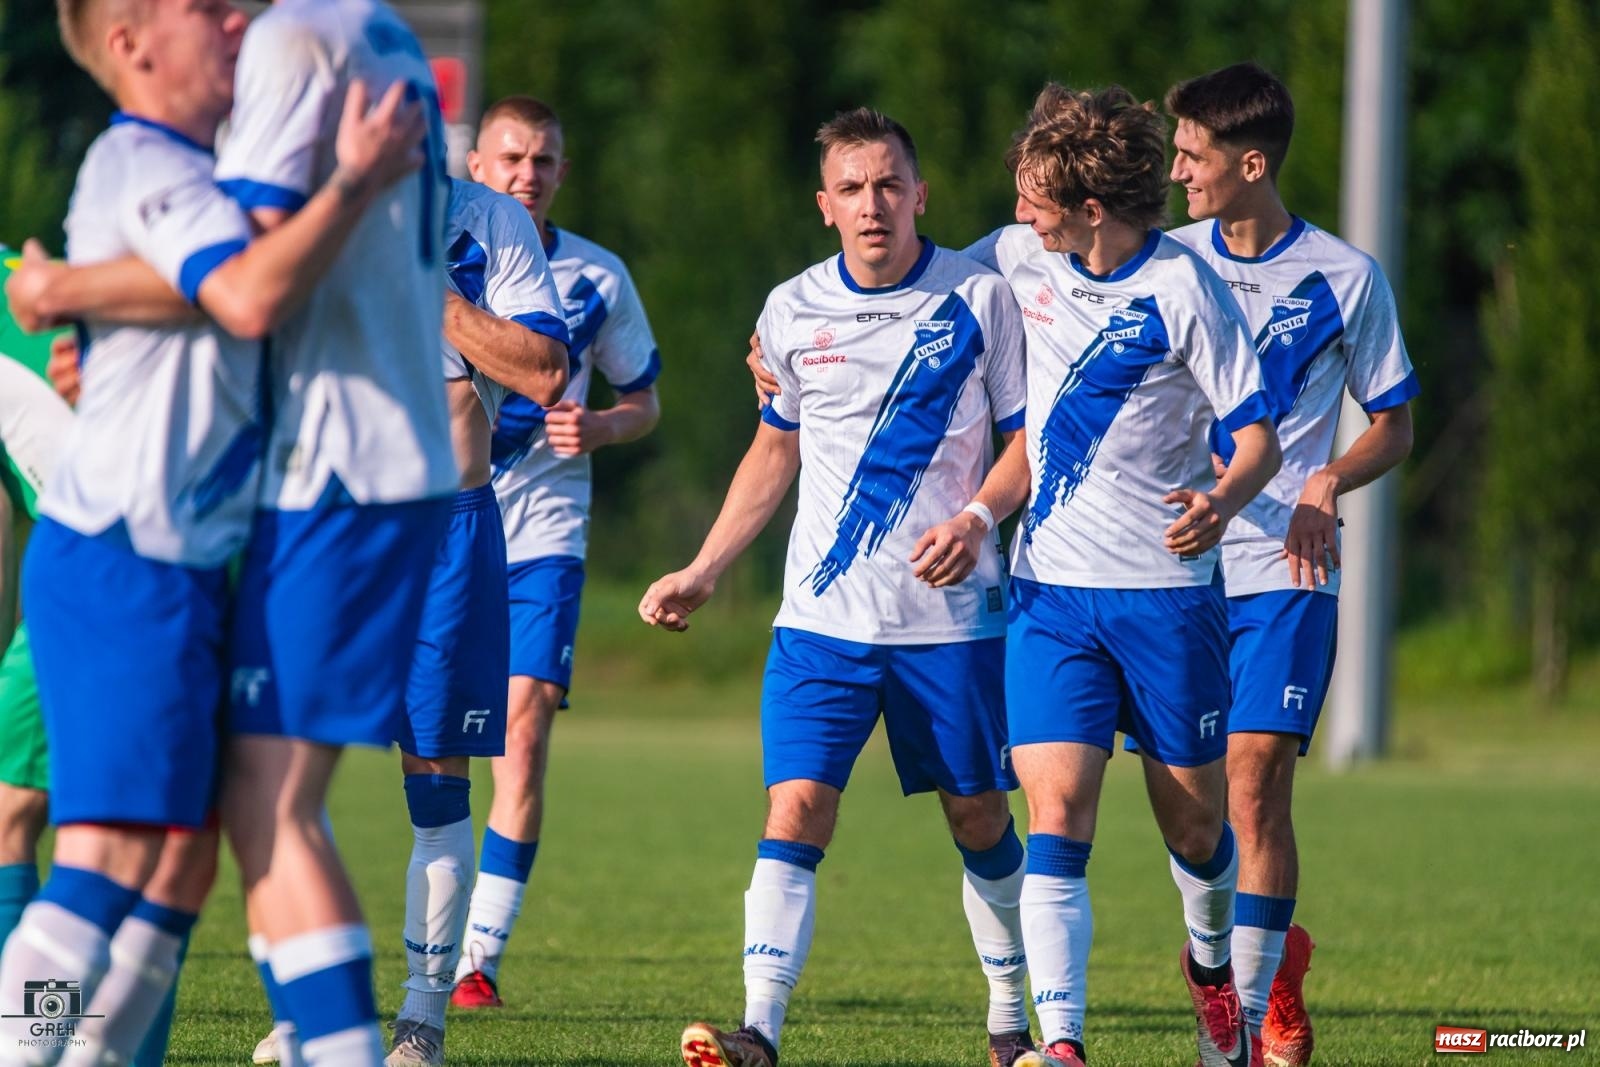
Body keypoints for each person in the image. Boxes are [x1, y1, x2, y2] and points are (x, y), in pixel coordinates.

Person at [0, 2, 435, 1061]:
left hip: (192, 559)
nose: (232, 24)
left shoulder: (207, 165)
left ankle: (95, 1053)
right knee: (104, 858)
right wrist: (350, 182)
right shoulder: (137, 156)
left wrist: (80, 315)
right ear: (131, 42)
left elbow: (227, 296)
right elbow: (243, 290)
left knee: (186, 852)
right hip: (121, 560)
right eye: (202, 12)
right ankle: (20, 1046)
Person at [641, 108, 1034, 1067]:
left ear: (920, 195)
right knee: (796, 808)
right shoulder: (790, 309)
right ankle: (758, 1033)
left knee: (979, 815)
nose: (873, 205)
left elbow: (1029, 440)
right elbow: (775, 449)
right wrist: (704, 566)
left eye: (890, 185)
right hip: (821, 625)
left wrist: (979, 516)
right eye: (852, 189)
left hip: (952, 623)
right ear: (825, 206)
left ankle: (1014, 1022)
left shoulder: (981, 299)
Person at [961, 84, 1280, 1067]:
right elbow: (909, 283)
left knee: (1194, 831)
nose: (1018, 217)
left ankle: (1211, 961)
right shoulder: (1019, 256)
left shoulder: (1187, 290)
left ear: (1090, 209)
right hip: (1050, 597)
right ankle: (1062, 1042)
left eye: (1034, 200)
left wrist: (1221, 504)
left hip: (1169, 601)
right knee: (1054, 809)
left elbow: (1258, 438)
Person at [1164, 62, 1417, 1067]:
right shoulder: (1165, 265)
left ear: (1251, 162)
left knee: (1256, 779)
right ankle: (1242, 957)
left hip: (1287, 563)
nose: (1179, 171)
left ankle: (1243, 1021)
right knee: (1187, 801)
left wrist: (1326, 482)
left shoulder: (1346, 277)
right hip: (1173, 567)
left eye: (1193, 154)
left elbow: (1393, 426)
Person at [448, 95, 662, 1009]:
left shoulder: (597, 277)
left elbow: (646, 400)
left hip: (543, 533)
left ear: (561, 173)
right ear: (476, 168)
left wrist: (603, 424)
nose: (526, 174)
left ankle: (475, 963)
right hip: (442, 516)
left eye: (542, 160)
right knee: (431, 741)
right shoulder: (446, 250)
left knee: (523, 726)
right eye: (509, 159)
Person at [376, 175, 570, 1066]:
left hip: (446, 528)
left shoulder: (489, 222)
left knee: (436, 777)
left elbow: (542, 367)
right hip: (323, 525)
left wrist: (433, 289)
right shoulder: (301, 200)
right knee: (272, 774)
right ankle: (310, 1002)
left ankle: (423, 1016)